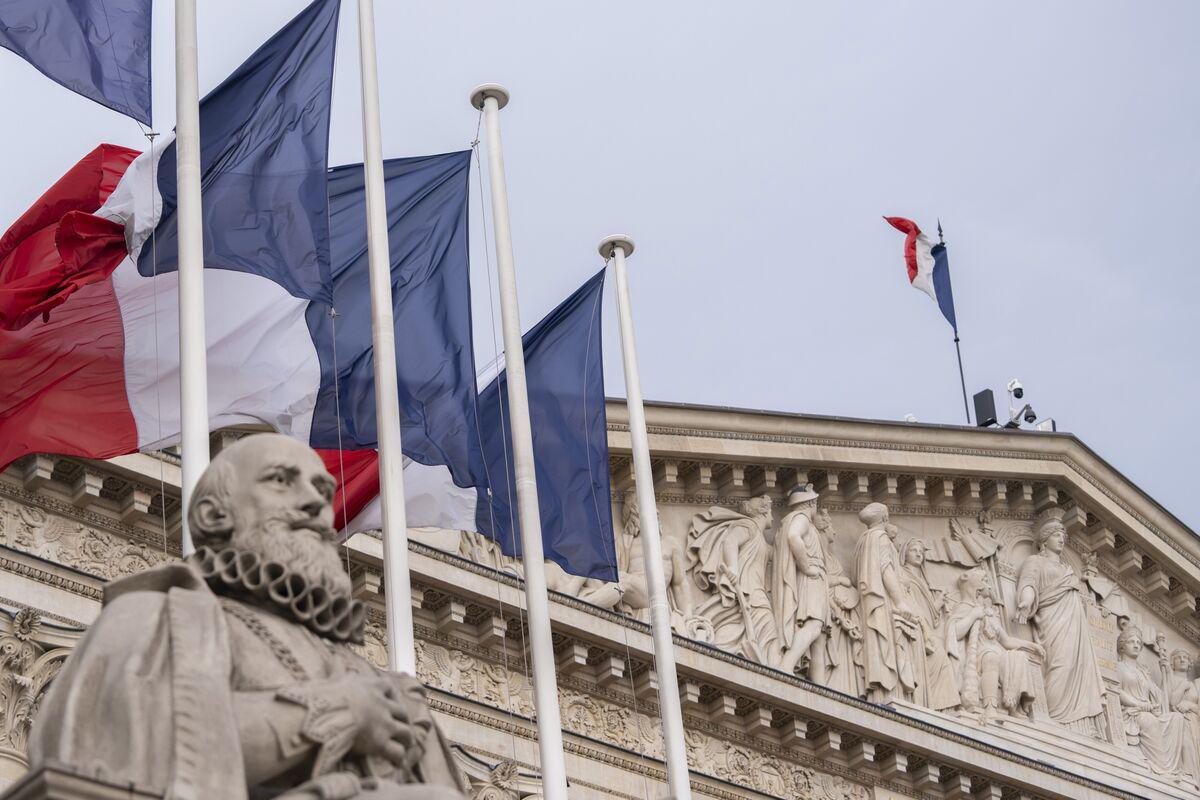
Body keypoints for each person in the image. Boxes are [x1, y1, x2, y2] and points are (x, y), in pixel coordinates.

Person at [30, 435, 466, 800]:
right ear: (213, 514)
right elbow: (131, 748)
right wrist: (342, 709)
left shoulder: (374, 678)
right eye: (281, 480)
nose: (315, 504)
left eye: (322, 490)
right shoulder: (156, 616)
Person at [1014, 518, 1107, 735]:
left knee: (1078, 667)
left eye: (1063, 536)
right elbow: (1029, 583)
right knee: (1060, 664)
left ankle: (1078, 724)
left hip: (1075, 624)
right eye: (1057, 535)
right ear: (1044, 540)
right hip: (1052, 620)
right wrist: (1026, 601)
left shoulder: (1067, 568)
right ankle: (1056, 716)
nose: (1062, 540)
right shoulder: (1035, 562)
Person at [688, 495, 780, 665]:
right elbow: (730, 541)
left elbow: (777, 555)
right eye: (771, 512)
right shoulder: (748, 526)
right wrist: (733, 568)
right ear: (763, 511)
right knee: (767, 629)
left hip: (755, 594)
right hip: (748, 592)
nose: (773, 518)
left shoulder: (760, 539)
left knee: (763, 633)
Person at [946, 568, 1043, 722]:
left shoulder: (990, 613)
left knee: (1018, 656)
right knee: (991, 656)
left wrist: (1031, 646)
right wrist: (973, 616)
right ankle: (990, 707)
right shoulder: (965, 607)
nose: (989, 586)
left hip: (997, 651)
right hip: (979, 655)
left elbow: (1007, 641)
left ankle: (1012, 707)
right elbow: (955, 633)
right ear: (976, 587)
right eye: (985, 581)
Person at [852, 503, 917, 704]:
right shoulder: (880, 538)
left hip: (869, 602)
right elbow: (885, 569)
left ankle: (881, 693)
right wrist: (900, 602)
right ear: (885, 518)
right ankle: (889, 695)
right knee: (886, 644)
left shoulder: (863, 540)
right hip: (883, 601)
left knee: (878, 644)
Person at [1116, 627, 1200, 783]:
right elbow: (1117, 690)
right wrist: (1138, 703)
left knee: (1177, 719)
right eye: (1131, 642)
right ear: (1122, 646)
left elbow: (1159, 697)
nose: (1136, 645)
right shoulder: (1119, 667)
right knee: (1149, 721)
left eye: (1138, 642)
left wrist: (1166, 673)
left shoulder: (1143, 672)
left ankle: (1174, 768)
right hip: (1132, 712)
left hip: (1148, 711)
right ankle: (1163, 768)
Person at [897, 539, 961, 712]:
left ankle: (942, 708)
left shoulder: (922, 580)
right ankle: (938, 706)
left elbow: (929, 612)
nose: (919, 553)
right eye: (914, 550)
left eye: (921, 551)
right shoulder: (901, 573)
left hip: (926, 626)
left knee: (942, 660)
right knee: (940, 658)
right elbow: (906, 600)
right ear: (904, 554)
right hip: (915, 624)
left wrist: (938, 602)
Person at [773, 485, 828, 677]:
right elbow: (793, 536)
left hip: (815, 579)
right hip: (810, 579)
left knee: (819, 635)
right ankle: (786, 665)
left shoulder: (797, 520)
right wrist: (806, 567)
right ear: (811, 503)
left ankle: (821, 688)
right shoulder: (801, 518)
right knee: (813, 626)